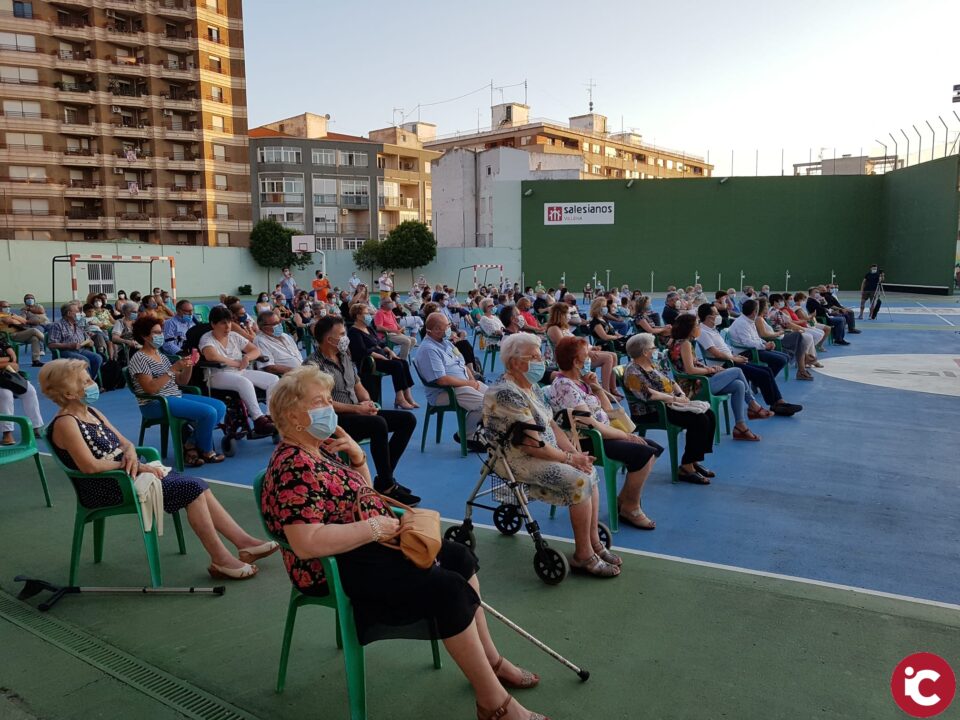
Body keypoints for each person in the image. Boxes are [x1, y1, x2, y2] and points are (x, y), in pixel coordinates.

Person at [261, 366, 548, 720]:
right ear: (293, 415)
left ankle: (490, 660)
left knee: (459, 557)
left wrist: (358, 459)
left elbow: (364, 497)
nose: (330, 408)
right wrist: (373, 528)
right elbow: (306, 543)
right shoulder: (293, 465)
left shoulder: (318, 450)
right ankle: (494, 704)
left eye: (329, 400)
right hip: (331, 567)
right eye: (320, 402)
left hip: (364, 546)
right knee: (448, 589)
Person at [41, 358, 277, 580]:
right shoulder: (66, 423)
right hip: (108, 486)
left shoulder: (92, 412)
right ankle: (221, 559)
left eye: (90, 379)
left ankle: (244, 544)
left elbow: (125, 443)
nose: (93, 384)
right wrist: (136, 466)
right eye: (85, 382)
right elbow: (90, 466)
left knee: (198, 485)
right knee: (192, 489)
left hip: (126, 474)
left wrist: (131, 453)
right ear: (69, 393)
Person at [483, 333, 619, 578]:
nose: (541, 362)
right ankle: (584, 556)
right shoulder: (506, 393)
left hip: (544, 451)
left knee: (589, 471)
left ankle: (594, 544)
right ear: (515, 363)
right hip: (516, 459)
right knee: (580, 480)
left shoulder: (531, 386)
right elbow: (531, 445)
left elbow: (552, 426)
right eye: (534, 357)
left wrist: (576, 454)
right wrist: (569, 459)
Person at [307, 316, 419, 505]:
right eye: (342, 334)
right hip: (334, 419)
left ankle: (384, 479)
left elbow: (357, 385)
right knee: (378, 424)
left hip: (356, 412)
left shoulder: (344, 356)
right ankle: (387, 485)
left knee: (407, 420)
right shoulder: (313, 366)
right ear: (329, 339)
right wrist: (357, 409)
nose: (346, 337)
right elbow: (322, 402)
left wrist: (368, 403)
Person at [549, 337, 658, 529]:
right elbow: (591, 425)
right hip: (588, 440)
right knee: (644, 452)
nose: (591, 358)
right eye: (587, 355)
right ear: (576, 362)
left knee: (653, 448)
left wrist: (596, 388)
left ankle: (624, 500)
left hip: (604, 433)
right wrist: (626, 436)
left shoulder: (580, 382)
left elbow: (607, 410)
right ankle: (631, 507)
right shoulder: (565, 386)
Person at [128, 316, 226, 467]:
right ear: (144, 336)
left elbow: (181, 381)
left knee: (220, 407)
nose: (160, 335)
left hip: (174, 396)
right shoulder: (139, 358)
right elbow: (150, 388)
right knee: (209, 413)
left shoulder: (160, 355)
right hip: (155, 403)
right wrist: (173, 369)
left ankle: (190, 444)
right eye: (156, 333)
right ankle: (206, 450)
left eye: (161, 332)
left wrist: (188, 366)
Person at [622, 334, 717, 484]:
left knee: (709, 414)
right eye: (653, 347)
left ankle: (693, 460)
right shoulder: (633, 372)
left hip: (668, 404)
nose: (655, 350)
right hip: (652, 411)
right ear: (645, 352)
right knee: (699, 420)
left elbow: (671, 381)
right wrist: (675, 399)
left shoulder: (652, 364)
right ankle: (686, 467)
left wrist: (681, 394)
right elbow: (650, 395)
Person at [667, 313, 766, 441]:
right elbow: (690, 370)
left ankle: (740, 426)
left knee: (739, 385)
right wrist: (710, 369)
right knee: (737, 370)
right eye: (697, 325)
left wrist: (712, 369)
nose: (699, 327)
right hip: (694, 387)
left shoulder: (675, 342)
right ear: (689, 328)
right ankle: (752, 404)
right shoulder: (685, 344)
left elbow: (689, 365)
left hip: (697, 382)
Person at [696, 304, 802, 414]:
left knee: (767, 371)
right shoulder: (703, 332)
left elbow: (724, 348)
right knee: (763, 374)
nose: (719, 315)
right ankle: (776, 404)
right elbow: (716, 353)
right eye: (716, 313)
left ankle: (779, 402)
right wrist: (734, 358)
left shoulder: (712, 330)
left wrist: (735, 356)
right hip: (724, 365)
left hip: (731, 359)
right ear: (709, 317)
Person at [199, 306, 278, 435]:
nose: (227, 326)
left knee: (273, 379)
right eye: (223, 323)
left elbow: (256, 350)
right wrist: (237, 363)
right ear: (213, 324)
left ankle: (270, 417)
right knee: (244, 382)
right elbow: (211, 356)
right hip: (217, 375)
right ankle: (258, 420)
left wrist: (247, 357)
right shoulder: (207, 338)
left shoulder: (234, 336)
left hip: (239, 372)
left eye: (229, 322)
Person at [414, 312, 487, 448]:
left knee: (495, 398)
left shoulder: (446, 343)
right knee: (485, 403)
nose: (450, 328)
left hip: (462, 385)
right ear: (436, 330)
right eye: (447, 326)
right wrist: (469, 383)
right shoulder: (429, 350)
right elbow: (442, 380)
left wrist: (473, 382)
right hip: (444, 392)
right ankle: (466, 435)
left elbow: (462, 364)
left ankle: (482, 431)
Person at [347, 304, 418, 410]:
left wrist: (390, 351)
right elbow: (361, 351)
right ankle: (399, 398)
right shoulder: (353, 332)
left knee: (403, 362)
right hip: (369, 362)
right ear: (358, 316)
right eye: (366, 313)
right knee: (397, 365)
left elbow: (380, 343)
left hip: (381, 358)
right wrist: (380, 356)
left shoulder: (369, 328)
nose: (369, 316)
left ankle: (408, 395)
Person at [545, 303, 618, 398]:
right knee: (608, 358)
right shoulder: (554, 329)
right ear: (560, 315)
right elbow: (565, 348)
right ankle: (606, 392)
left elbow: (575, 343)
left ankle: (613, 388)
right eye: (567, 313)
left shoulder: (563, 328)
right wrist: (587, 352)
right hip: (570, 359)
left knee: (613, 355)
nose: (569, 316)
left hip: (577, 354)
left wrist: (591, 348)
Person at [727, 299, 792, 379]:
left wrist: (765, 343)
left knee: (786, 357)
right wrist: (764, 346)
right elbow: (748, 343)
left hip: (755, 348)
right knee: (781, 360)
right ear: (754, 312)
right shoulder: (742, 323)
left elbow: (756, 337)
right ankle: (763, 380)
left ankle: (764, 380)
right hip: (747, 352)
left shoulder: (749, 320)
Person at [0, 334, 43, 445]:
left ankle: (36, 427)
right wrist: (8, 361)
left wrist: (8, 361)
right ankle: (7, 433)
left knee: (30, 391)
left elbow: (14, 358)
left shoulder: (1, 338)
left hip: (8, 374)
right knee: (5, 394)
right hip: (5, 373)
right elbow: (11, 360)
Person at [47, 302, 102, 381]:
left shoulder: (78, 324)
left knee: (97, 358)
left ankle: (88, 380)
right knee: (84, 360)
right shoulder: (57, 325)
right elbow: (51, 344)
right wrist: (69, 345)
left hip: (81, 350)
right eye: (77, 311)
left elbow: (87, 338)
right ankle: (86, 383)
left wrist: (89, 342)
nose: (80, 314)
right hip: (65, 351)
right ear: (69, 313)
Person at [254, 311, 304, 375]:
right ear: (264, 327)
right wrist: (297, 371)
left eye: (279, 321)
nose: (279, 325)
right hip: (288, 376)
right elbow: (269, 367)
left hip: (301, 371)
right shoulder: (260, 341)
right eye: (275, 323)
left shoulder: (286, 336)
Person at [0, 298, 45, 366]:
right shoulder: (2, 316)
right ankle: (48, 342)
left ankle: (36, 361)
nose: (8, 308)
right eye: (5, 307)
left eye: (9, 306)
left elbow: (24, 321)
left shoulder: (11, 314)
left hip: (19, 333)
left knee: (34, 338)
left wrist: (17, 319)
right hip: (10, 336)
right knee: (33, 330)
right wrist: (17, 318)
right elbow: (13, 322)